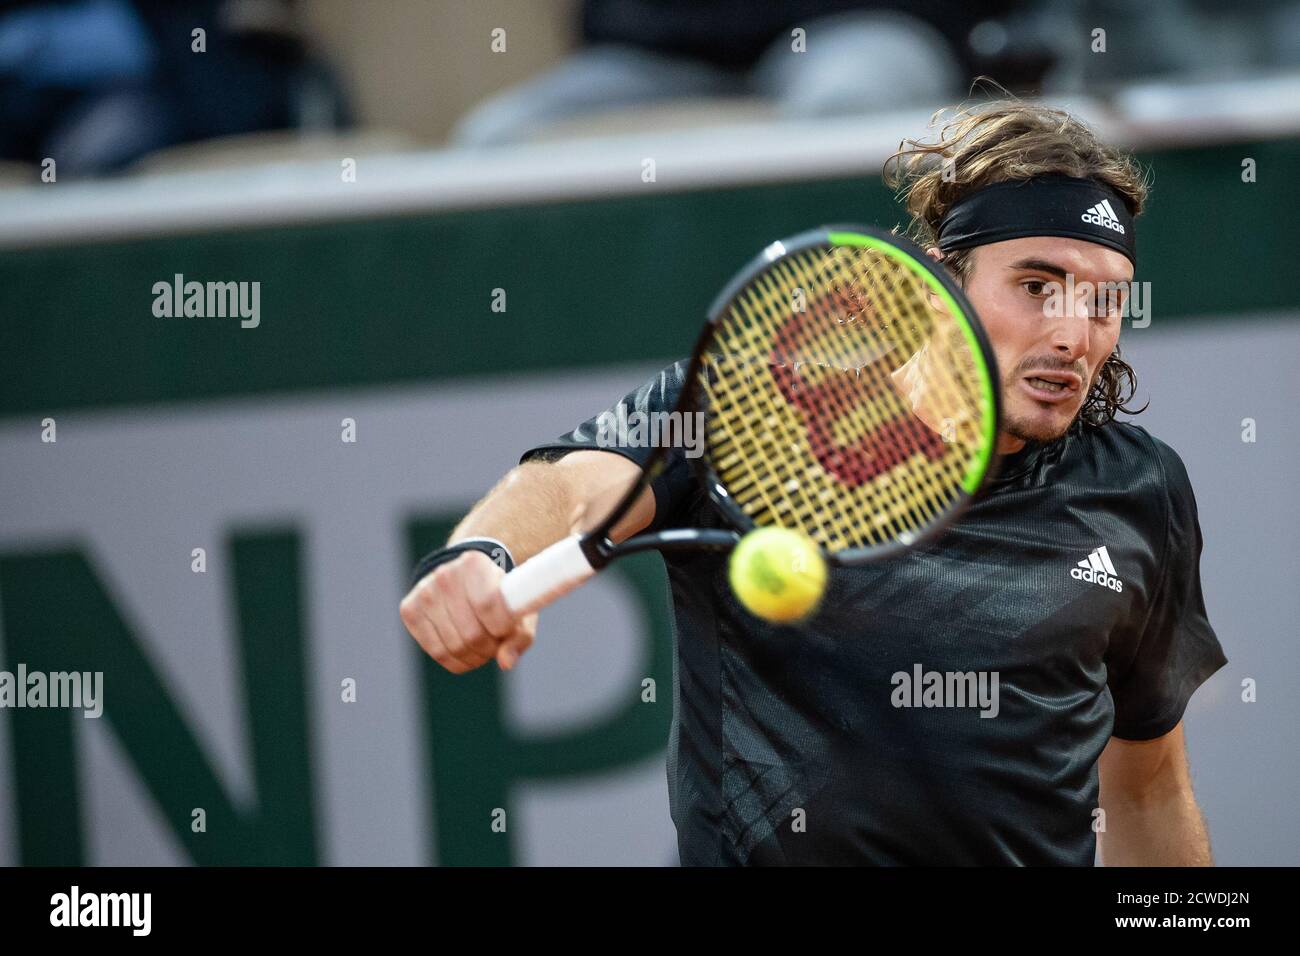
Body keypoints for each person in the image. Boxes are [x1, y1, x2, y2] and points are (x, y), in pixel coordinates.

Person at [400, 100, 1228, 866]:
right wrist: (487, 550)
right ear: (944, 281)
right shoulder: (752, 409)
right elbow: (575, 482)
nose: (1072, 334)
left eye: (1103, 302)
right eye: (1036, 286)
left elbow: (1148, 787)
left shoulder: (1138, 489)